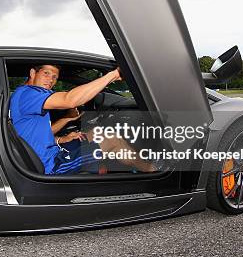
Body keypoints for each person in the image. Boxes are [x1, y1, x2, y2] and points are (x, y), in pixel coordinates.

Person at [9, 64, 156, 175]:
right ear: (33, 73)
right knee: (113, 140)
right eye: (46, 73)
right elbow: (70, 100)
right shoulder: (30, 94)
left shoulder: (22, 94)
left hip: (47, 151)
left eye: (54, 77)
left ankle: (107, 167)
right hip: (52, 165)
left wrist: (61, 137)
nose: (51, 80)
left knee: (96, 132)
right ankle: (153, 170)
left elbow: (30, 133)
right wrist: (114, 74)